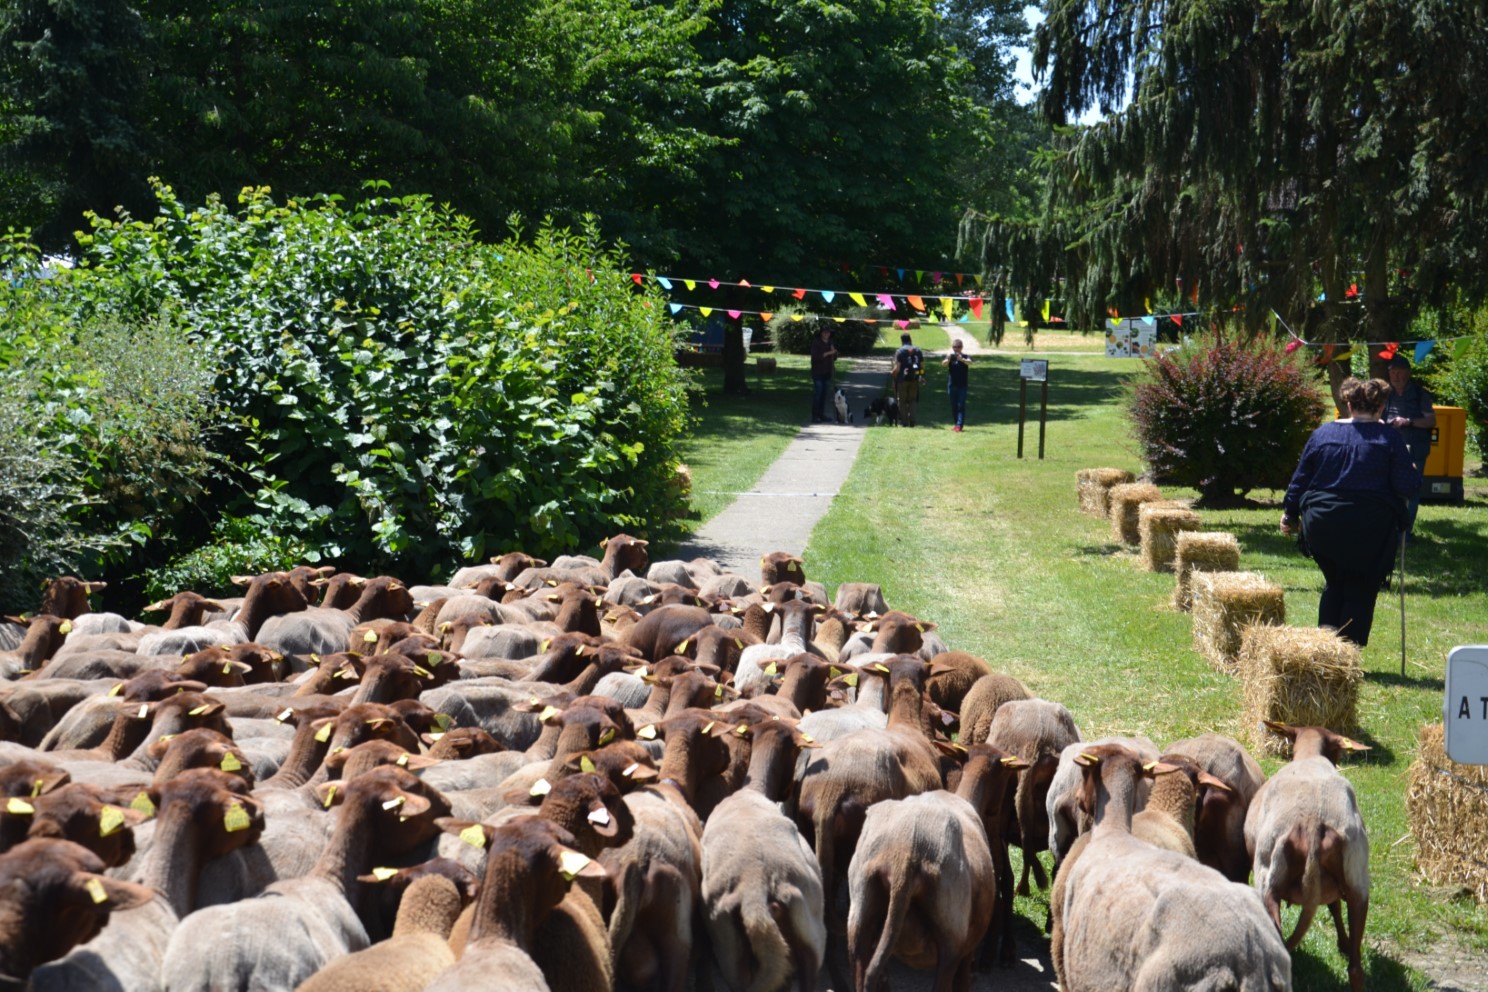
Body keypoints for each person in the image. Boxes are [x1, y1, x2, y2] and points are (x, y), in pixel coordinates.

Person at [1280, 376, 1416, 647]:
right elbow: (1407, 486)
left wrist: (1289, 515)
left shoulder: (1323, 434)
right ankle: (1345, 652)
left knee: (1336, 581)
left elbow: (1300, 479)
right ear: (1380, 408)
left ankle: (1327, 649)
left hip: (1323, 523)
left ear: (1349, 405)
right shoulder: (1389, 437)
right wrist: (1411, 471)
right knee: (1361, 587)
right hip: (1370, 525)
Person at [1382, 353, 1435, 539]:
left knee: (1411, 490)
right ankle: (1389, 529)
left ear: (1408, 373)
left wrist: (1408, 422)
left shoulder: (1420, 394)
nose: (1396, 376)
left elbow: (1430, 421)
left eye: (1400, 372)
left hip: (1415, 449)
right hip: (1388, 449)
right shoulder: (1385, 394)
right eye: (1393, 372)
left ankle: (1405, 532)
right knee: (1388, 488)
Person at [891, 332, 924, 427]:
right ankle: (912, 420)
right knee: (912, 400)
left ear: (901, 341)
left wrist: (892, 373)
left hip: (902, 380)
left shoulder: (899, 351)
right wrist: (920, 376)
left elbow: (897, 368)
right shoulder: (918, 350)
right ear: (910, 339)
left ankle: (904, 422)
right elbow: (921, 366)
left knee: (902, 401)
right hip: (914, 378)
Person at [809, 325, 838, 423]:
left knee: (824, 394)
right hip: (818, 372)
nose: (827, 334)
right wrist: (829, 353)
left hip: (827, 372)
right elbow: (815, 358)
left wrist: (834, 353)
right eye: (825, 332)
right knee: (818, 394)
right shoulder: (816, 343)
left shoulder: (830, 342)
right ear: (821, 333)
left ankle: (821, 415)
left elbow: (834, 358)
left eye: (828, 332)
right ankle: (815, 416)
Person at [941, 338, 971, 431]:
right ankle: (956, 424)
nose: (956, 349)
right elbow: (943, 364)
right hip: (952, 384)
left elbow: (970, 362)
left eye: (958, 347)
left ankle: (959, 425)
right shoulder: (950, 356)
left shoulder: (965, 356)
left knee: (961, 405)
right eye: (954, 347)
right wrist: (949, 359)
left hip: (962, 385)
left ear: (961, 347)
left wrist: (961, 359)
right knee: (953, 405)